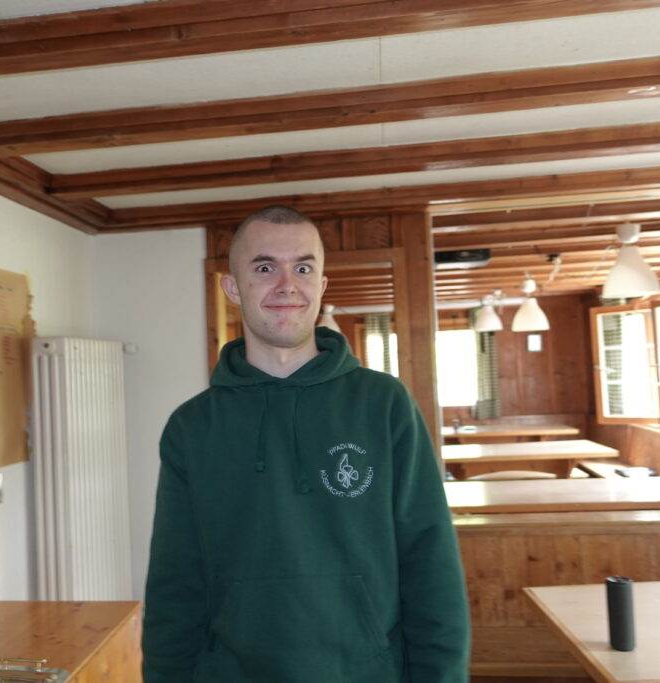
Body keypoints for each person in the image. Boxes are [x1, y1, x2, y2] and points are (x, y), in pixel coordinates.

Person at [143, 205, 470, 682]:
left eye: (302, 268)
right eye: (264, 268)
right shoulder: (192, 427)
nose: (286, 285)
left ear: (322, 284)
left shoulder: (384, 405)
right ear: (232, 287)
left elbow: (431, 563)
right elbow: (175, 583)